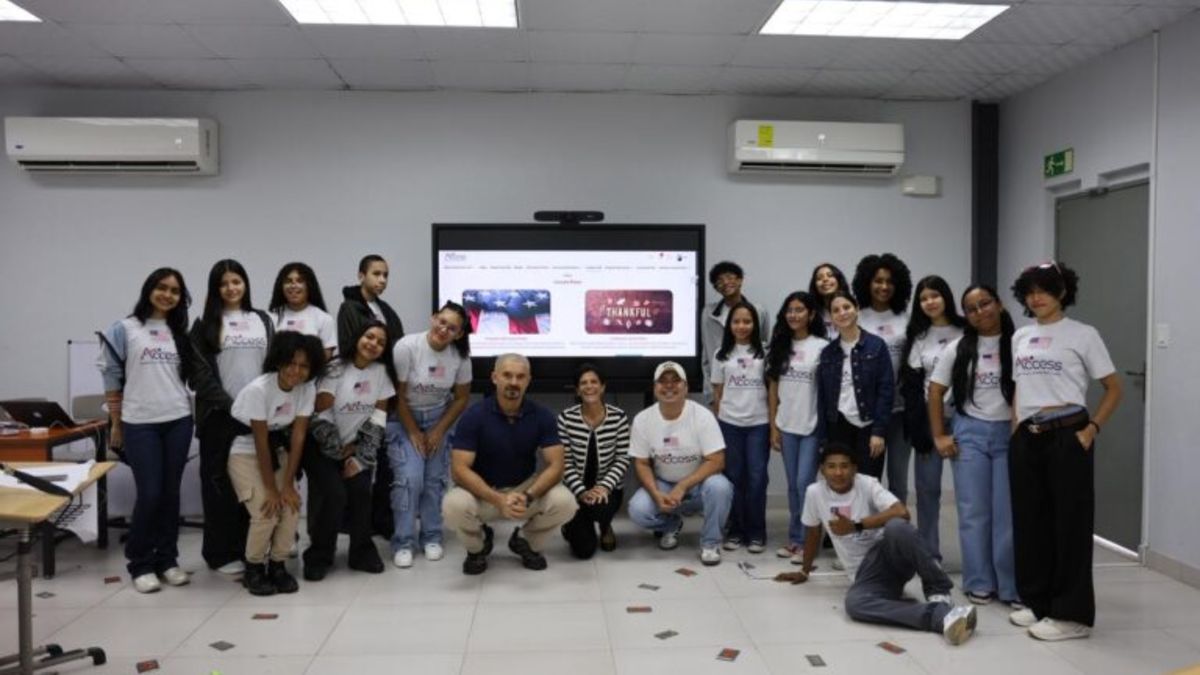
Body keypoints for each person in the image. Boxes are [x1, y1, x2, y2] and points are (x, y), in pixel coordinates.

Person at [1006, 261, 1122, 641]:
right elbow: (1020, 387)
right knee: (1031, 522)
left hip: (1068, 434)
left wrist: (1092, 430)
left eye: (1044, 289)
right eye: (1030, 290)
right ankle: (1038, 602)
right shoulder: (1020, 336)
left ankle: (1071, 615)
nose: (1036, 297)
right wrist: (1016, 429)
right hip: (1028, 436)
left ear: (1062, 293)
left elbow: (1113, 388)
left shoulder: (1083, 334)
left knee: (1069, 524)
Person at [775, 444, 978, 645]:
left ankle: (939, 592)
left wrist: (856, 526)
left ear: (854, 469)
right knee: (855, 604)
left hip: (890, 556)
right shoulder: (814, 492)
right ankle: (941, 616)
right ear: (822, 470)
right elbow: (812, 531)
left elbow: (902, 512)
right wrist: (804, 571)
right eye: (831, 466)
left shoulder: (868, 484)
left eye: (845, 466)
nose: (838, 472)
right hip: (865, 575)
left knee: (898, 527)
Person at [99, 268, 214, 593]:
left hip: (178, 419)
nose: (167, 295)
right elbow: (110, 377)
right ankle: (140, 563)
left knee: (170, 493)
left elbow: (192, 375)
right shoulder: (124, 328)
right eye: (162, 288)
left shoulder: (180, 332)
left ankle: (167, 559)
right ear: (150, 289)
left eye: (175, 291)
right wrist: (117, 424)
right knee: (150, 493)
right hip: (139, 422)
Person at [441, 354, 577, 574]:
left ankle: (525, 541)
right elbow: (459, 470)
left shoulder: (542, 416)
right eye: (507, 375)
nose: (514, 382)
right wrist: (498, 499)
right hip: (484, 493)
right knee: (452, 505)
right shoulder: (473, 416)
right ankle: (478, 547)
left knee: (566, 502)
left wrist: (529, 495)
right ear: (495, 377)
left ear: (528, 380)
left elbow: (556, 466)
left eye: (520, 376)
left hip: (525, 490)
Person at [928, 284, 1019, 607]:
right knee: (973, 512)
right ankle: (979, 581)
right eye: (972, 308)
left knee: (1007, 514)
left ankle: (1010, 586)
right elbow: (936, 391)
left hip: (1010, 434)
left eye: (985, 303)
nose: (981, 312)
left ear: (1000, 304)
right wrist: (940, 435)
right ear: (965, 315)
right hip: (970, 435)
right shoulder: (958, 348)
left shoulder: (1019, 343)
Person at [189, 259, 274, 576]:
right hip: (219, 416)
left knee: (251, 484)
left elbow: (273, 366)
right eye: (224, 283)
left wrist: (259, 407)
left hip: (258, 415)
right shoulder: (204, 325)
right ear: (215, 289)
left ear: (246, 284)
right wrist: (233, 406)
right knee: (218, 485)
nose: (231, 288)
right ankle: (219, 553)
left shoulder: (262, 320)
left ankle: (248, 547)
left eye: (236, 281)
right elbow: (200, 376)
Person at [227, 331, 325, 596]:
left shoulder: (307, 388)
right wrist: (272, 488)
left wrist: (289, 484)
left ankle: (278, 565)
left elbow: (299, 435)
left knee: (291, 506)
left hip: (279, 450)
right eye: (291, 363)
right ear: (279, 361)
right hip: (246, 452)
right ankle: (254, 568)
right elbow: (260, 442)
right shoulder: (259, 390)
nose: (296, 371)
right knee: (266, 509)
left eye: (304, 366)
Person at [303, 320, 393, 581]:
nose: (373, 344)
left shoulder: (381, 373)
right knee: (334, 495)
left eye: (380, 342)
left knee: (362, 491)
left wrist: (360, 456)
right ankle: (319, 554)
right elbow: (321, 412)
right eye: (369, 336)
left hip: (356, 446)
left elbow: (378, 417)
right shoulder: (335, 369)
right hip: (322, 445)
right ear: (357, 337)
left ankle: (361, 552)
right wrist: (337, 451)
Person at [389, 302, 473, 568]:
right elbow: (397, 395)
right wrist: (414, 431)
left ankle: (432, 537)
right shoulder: (407, 347)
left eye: (452, 328)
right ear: (433, 317)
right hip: (404, 419)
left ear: (458, 334)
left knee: (434, 481)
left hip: (440, 418)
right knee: (410, 479)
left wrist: (438, 431)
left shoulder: (459, 357)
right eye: (441, 321)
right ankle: (403, 542)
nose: (443, 329)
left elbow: (461, 399)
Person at [627, 361, 734, 566]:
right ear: (655, 387)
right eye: (663, 381)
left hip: (698, 484)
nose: (669, 386)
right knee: (638, 510)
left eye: (676, 381)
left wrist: (683, 485)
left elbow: (717, 460)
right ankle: (671, 524)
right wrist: (656, 493)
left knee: (720, 487)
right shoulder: (643, 419)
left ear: (685, 387)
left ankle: (710, 543)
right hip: (664, 484)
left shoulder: (702, 415)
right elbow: (641, 463)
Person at [337, 254, 404, 538]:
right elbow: (354, 350)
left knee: (383, 459)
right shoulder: (349, 308)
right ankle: (354, 524)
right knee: (356, 460)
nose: (382, 280)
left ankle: (380, 518)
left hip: (384, 391)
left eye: (386, 275)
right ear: (361, 275)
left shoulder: (385, 309)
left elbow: (396, 348)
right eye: (376, 273)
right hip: (357, 395)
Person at [899, 275, 965, 560]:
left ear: (946, 297)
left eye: (934, 295)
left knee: (968, 494)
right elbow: (913, 386)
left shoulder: (966, 329)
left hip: (965, 418)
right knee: (927, 491)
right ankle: (929, 555)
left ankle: (975, 558)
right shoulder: (918, 336)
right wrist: (918, 427)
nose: (930, 302)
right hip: (930, 419)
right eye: (923, 298)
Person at [765, 291, 829, 564]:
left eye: (800, 309)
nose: (794, 314)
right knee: (793, 486)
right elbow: (773, 389)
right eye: (789, 310)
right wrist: (773, 426)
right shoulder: (779, 346)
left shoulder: (823, 346)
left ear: (811, 314)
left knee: (806, 484)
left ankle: (808, 542)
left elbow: (828, 390)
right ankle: (795, 539)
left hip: (812, 426)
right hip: (786, 424)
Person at [853, 253, 913, 506]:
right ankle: (864, 530)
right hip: (868, 411)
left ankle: (894, 532)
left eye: (890, 281)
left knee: (898, 477)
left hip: (900, 410)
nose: (884, 286)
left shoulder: (906, 318)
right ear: (867, 282)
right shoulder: (857, 316)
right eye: (878, 280)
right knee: (866, 476)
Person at [710, 301, 770, 553]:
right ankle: (735, 531)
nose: (742, 326)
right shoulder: (720, 355)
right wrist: (719, 423)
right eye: (736, 321)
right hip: (729, 424)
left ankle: (756, 532)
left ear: (754, 324)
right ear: (729, 325)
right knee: (733, 478)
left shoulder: (765, 352)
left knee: (757, 479)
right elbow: (717, 392)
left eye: (747, 321)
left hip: (759, 424)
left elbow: (773, 389)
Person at [816, 291, 894, 479]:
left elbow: (886, 390)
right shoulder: (828, 352)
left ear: (857, 309)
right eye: (836, 310)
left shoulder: (876, 345)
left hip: (868, 426)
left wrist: (878, 432)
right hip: (839, 425)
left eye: (847, 307)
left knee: (869, 483)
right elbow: (822, 398)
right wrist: (823, 438)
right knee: (842, 483)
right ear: (832, 317)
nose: (842, 313)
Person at [558, 363, 631, 559]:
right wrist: (581, 492)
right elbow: (563, 462)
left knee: (601, 508)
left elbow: (623, 458)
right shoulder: (565, 418)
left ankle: (605, 526)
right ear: (577, 389)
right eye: (583, 383)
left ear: (602, 387)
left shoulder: (619, 417)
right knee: (583, 551)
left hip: (606, 489)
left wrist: (604, 487)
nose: (589, 386)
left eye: (594, 382)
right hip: (576, 490)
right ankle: (574, 523)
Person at [701, 261, 770, 402]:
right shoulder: (708, 313)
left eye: (729, 277)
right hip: (720, 385)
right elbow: (707, 354)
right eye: (719, 281)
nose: (725, 282)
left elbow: (763, 347)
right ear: (716, 288)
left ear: (740, 280)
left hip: (751, 386)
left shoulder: (759, 311)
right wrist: (710, 392)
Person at [269, 262, 337, 358]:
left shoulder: (324, 319)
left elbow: (326, 357)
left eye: (300, 281)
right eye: (288, 281)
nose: (293, 285)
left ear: (309, 286)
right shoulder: (271, 317)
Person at [808, 262, 849, 336]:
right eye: (819, 278)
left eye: (830, 275)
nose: (825, 279)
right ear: (815, 286)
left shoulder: (853, 309)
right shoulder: (812, 315)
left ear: (838, 280)